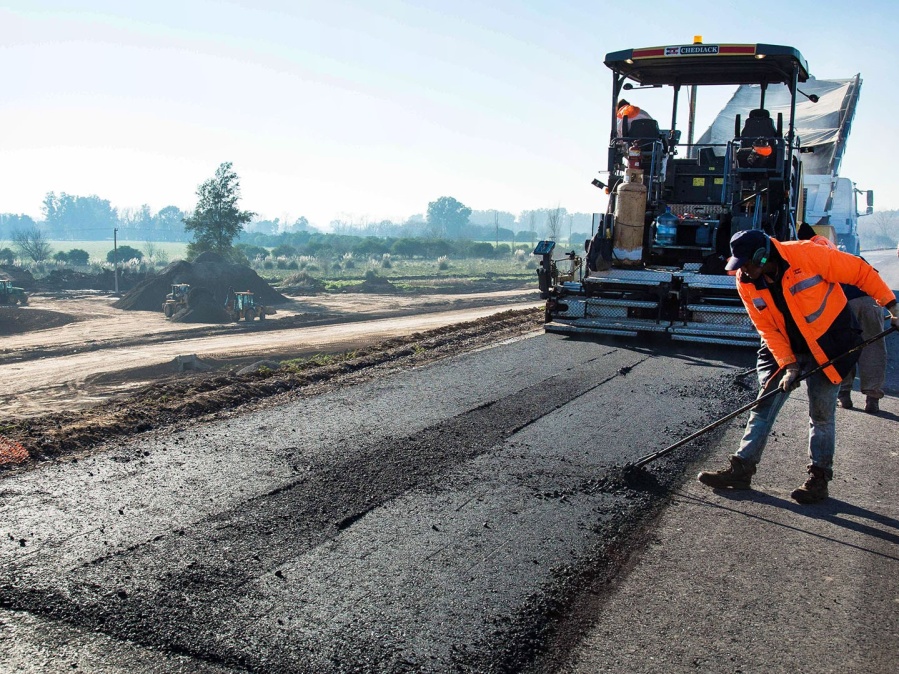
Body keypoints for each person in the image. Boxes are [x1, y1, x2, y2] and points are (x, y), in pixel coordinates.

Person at [697, 229, 899, 503]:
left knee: (821, 413)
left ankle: (818, 480)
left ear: (762, 255)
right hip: (786, 346)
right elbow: (766, 328)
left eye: (746, 263)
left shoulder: (807, 254)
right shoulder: (746, 282)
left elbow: (860, 272)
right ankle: (741, 470)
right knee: (764, 405)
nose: (742, 270)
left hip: (830, 341)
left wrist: (892, 306)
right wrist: (789, 365)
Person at [795, 223, 888, 414]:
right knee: (873, 348)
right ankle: (872, 398)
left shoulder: (812, 255)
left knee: (845, 347)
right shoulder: (845, 254)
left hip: (847, 302)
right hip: (871, 300)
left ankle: (844, 395)